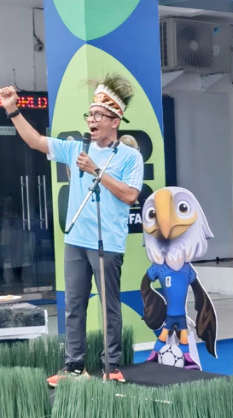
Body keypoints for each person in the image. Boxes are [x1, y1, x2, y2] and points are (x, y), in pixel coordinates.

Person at [1, 75, 143, 386]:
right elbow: (36, 141)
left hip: (107, 243)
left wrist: (95, 170)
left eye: (98, 115)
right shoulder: (76, 147)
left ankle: (111, 366)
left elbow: (131, 195)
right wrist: (12, 110)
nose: (92, 120)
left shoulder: (130, 156)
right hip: (76, 240)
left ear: (115, 121)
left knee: (109, 307)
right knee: (74, 306)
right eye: (89, 115)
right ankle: (74, 366)